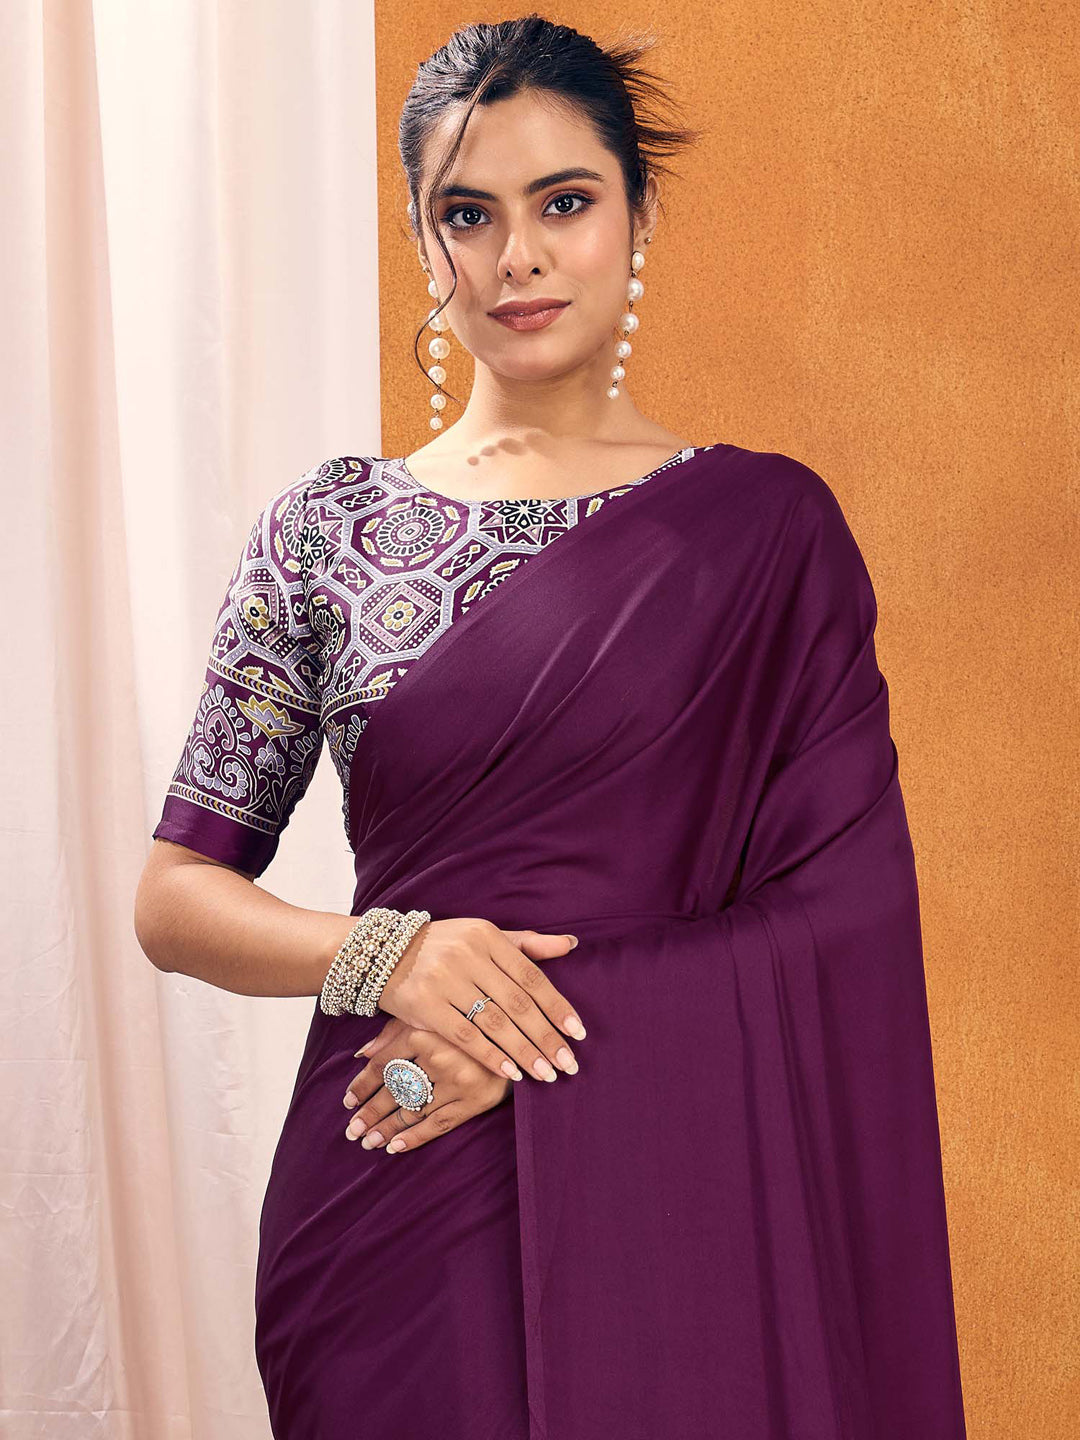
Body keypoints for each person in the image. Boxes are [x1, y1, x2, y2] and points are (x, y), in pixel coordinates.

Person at [134, 16, 968, 1439]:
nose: (516, 256)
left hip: (675, 1194)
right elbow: (174, 898)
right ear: (425, 244)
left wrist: (541, 1032)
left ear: (638, 216)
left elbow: (844, 917)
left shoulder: (766, 534)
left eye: (563, 202)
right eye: (469, 214)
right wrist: (386, 953)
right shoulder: (326, 533)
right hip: (393, 1171)